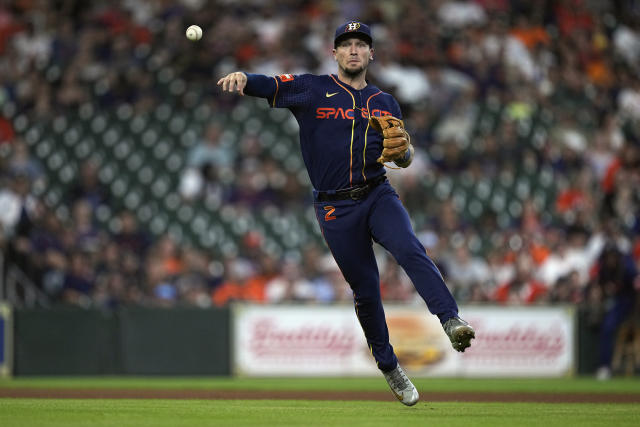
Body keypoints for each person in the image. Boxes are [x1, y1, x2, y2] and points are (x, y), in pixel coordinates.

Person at [217, 20, 475, 406]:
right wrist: (244, 77)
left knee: (408, 248)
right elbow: (271, 85)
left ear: (371, 54)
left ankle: (450, 319)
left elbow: (402, 155)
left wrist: (405, 154)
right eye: (346, 44)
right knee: (366, 289)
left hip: (377, 194)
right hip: (335, 206)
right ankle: (389, 366)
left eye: (361, 44)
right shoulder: (313, 89)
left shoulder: (384, 101)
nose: (353, 49)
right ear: (334, 52)